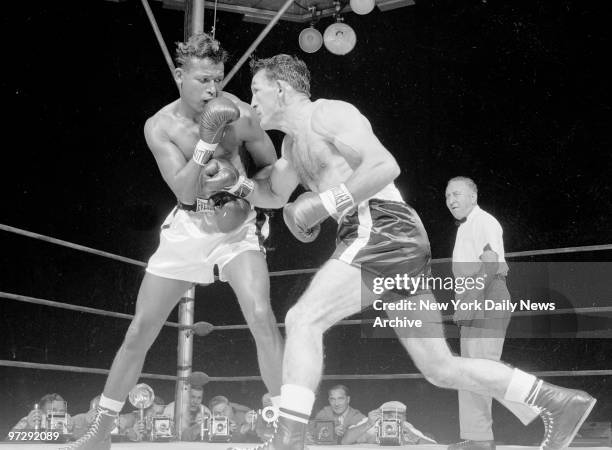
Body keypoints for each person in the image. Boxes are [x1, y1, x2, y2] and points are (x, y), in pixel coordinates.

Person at [230, 54, 596, 450]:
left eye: (256, 91)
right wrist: (233, 182)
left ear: (281, 89)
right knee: (439, 367)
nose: (252, 103)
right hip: (389, 237)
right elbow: (272, 192)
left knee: (303, 319)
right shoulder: (292, 145)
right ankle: (557, 400)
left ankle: (288, 440)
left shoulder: (329, 115)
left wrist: (323, 204)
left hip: (382, 226)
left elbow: (386, 166)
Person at [64, 33, 284, 450]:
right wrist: (205, 143)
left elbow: (276, 169)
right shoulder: (160, 125)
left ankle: (285, 428)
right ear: (180, 75)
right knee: (140, 330)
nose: (212, 89)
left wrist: (245, 188)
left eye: (217, 79)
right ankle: (101, 430)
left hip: (237, 228)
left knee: (261, 314)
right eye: (202, 79)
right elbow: (184, 193)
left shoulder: (239, 113)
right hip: (188, 228)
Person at [445, 176, 540, 450]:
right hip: (474, 302)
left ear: (473, 196)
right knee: (470, 372)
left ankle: (547, 404)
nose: (452, 200)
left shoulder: (484, 221)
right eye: (448, 196)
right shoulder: (466, 227)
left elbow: (491, 262)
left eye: (457, 194)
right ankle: (479, 439)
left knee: (485, 369)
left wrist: (470, 301)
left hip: (487, 298)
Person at [341, 401, 435, 445]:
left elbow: (434, 446)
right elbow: (344, 441)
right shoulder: (371, 423)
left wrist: (413, 436)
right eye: (389, 415)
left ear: (405, 418)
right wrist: (368, 424)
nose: (392, 419)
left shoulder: (406, 426)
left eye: (398, 416)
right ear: (380, 415)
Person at [9, 393, 73, 434]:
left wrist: (71, 432)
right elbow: (7, 444)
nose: (58, 416)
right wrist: (28, 429)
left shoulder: (69, 423)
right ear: (40, 413)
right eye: (52, 411)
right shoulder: (28, 421)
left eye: (62, 411)